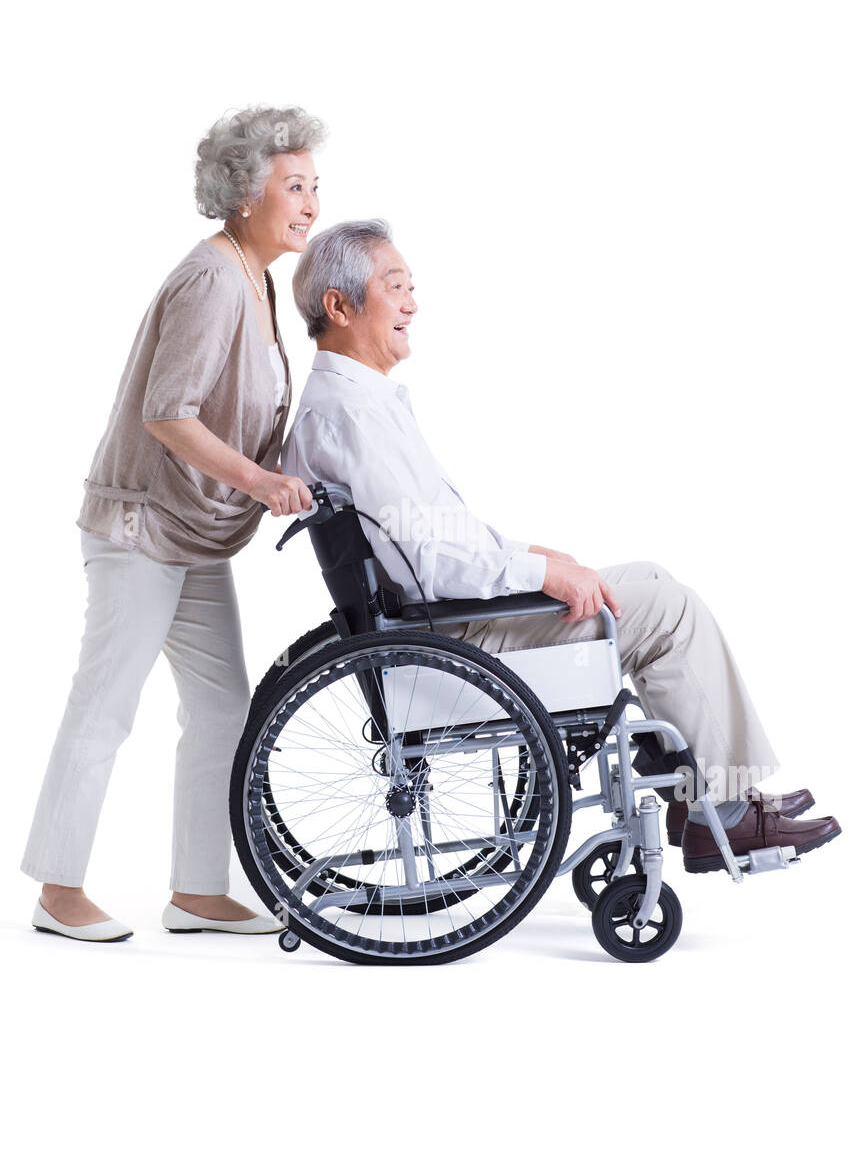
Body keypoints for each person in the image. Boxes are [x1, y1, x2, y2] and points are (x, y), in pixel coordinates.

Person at [282, 219, 841, 873]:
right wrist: (538, 573)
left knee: (652, 579)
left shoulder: (357, 403)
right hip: (452, 644)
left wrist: (538, 558)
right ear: (340, 306)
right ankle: (724, 810)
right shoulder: (351, 413)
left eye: (412, 288)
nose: (412, 303)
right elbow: (432, 561)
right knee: (669, 611)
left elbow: (431, 536)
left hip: (443, 629)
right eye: (396, 287)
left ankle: (708, 796)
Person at [21, 105, 322, 941]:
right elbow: (169, 413)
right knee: (106, 705)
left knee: (223, 708)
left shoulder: (256, 280)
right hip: (139, 530)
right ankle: (58, 889)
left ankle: (197, 889)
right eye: (292, 185)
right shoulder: (212, 278)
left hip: (191, 535)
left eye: (313, 185)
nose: (309, 202)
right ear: (241, 191)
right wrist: (261, 481)